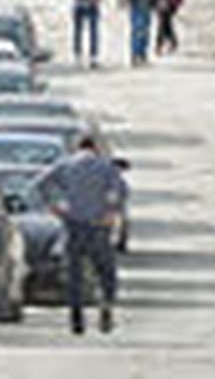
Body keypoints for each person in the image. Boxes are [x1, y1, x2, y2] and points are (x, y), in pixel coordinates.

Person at [32, 134, 129, 336]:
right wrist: (111, 211)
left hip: (73, 224)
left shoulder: (65, 165)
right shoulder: (106, 167)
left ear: (77, 148)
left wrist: (54, 205)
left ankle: (76, 315)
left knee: (74, 272)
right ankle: (106, 303)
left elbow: (40, 183)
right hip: (98, 225)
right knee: (105, 270)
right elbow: (120, 191)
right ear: (95, 148)